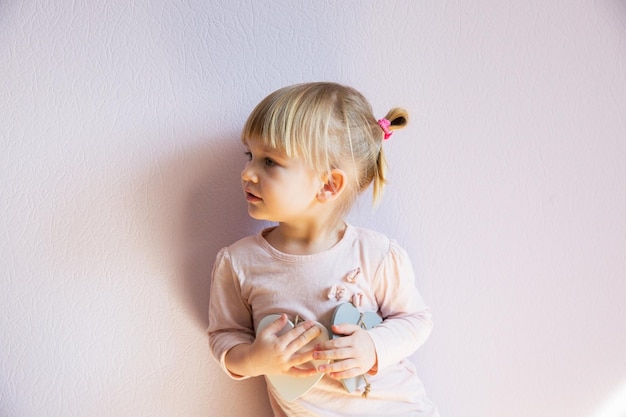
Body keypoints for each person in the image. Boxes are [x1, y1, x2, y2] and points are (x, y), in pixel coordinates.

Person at [207, 82, 439, 417]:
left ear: (329, 185)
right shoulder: (238, 263)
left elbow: (416, 319)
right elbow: (225, 336)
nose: (246, 172)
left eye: (269, 161)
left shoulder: (375, 254)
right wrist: (255, 359)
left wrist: (373, 346)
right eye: (250, 156)